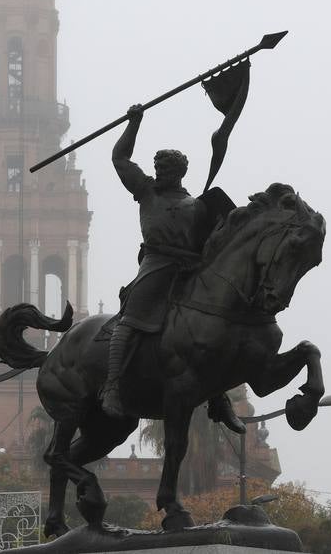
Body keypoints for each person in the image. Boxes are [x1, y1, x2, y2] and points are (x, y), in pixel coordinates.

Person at [100, 104, 245, 434]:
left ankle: (218, 398)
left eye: (165, 167)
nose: (159, 171)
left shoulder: (197, 205)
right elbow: (120, 159)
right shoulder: (146, 191)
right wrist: (133, 124)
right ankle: (111, 384)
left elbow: (216, 240)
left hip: (188, 269)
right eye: (157, 166)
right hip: (155, 265)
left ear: (179, 172)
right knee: (130, 320)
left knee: (211, 327)